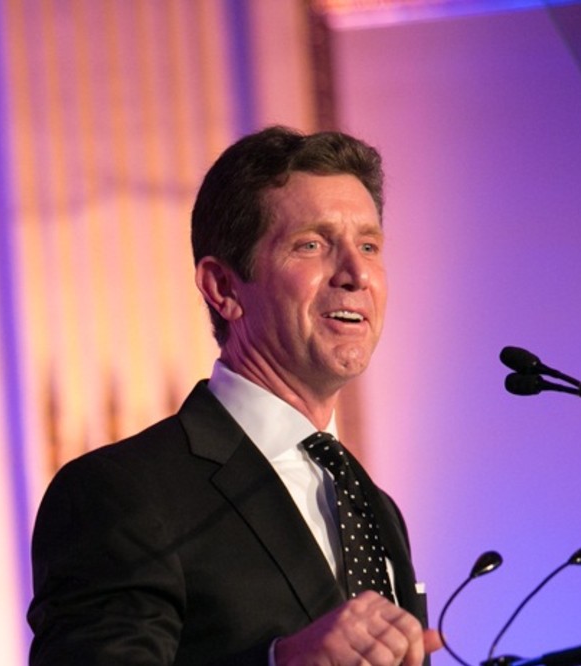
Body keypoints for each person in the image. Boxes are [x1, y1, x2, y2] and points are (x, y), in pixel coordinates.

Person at [27, 126, 441, 666]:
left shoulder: (373, 507)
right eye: (312, 244)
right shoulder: (120, 493)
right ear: (223, 288)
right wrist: (280, 663)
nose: (357, 273)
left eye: (369, 245)